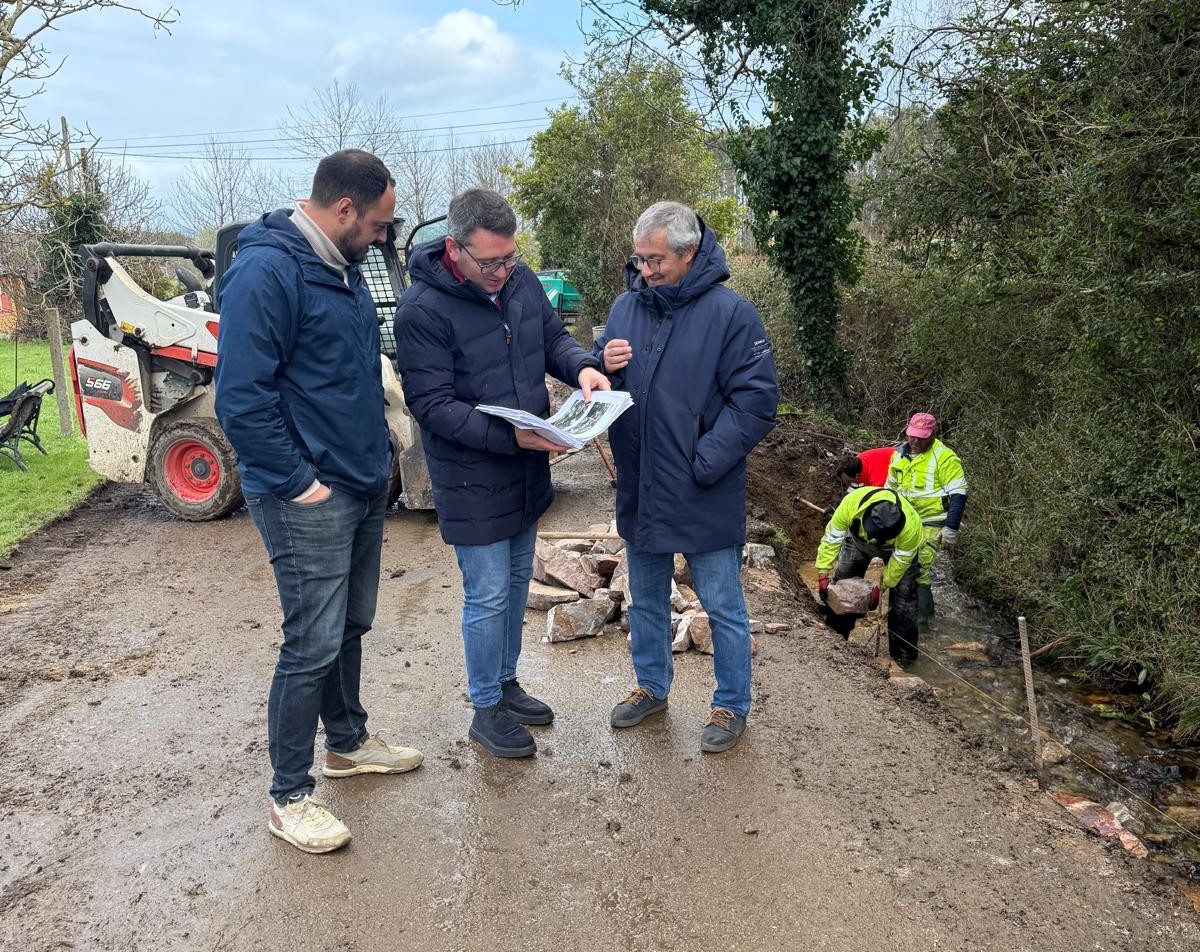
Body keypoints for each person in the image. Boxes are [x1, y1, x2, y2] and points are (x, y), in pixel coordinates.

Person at [214, 149, 424, 855]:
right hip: (308, 494)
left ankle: (347, 743)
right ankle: (288, 794)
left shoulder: (342, 268)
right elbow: (241, 399)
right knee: (310, 641)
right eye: (380, 224)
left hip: (359, 481)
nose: (383, 237)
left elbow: (350, 373)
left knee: (350, 624)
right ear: (343, 211)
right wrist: (301, 480)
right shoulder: (267, 271)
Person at [393, 188, 608, 760]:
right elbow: (431, 405)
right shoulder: (421, 310)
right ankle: (485, 708)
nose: (501, 272)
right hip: (470, 474)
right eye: (489, 263)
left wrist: (583, 368)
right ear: (454, 249)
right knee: (487, 594)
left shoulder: (521, 281)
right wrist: (508, 434)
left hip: (526, 466)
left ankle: (507, 684)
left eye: (509, 258)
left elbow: (552, 341)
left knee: (515, 585)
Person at [596, 201, 778, 754]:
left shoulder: (733, 315)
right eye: (640, 259)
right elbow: (602, 371)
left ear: (689, 252)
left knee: (722, 604)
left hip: (703, 487)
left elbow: (756, 402)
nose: (644, 270)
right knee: (646, 598)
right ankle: (651, 686)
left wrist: (703, 462)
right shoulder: (626, 307)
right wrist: (602, 360)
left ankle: (731, 703)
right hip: (642, 484)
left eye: (655, 261)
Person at [815, 486, 925, 664]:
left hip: (896, 551)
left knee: (904, 600)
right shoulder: (851, 503)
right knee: (843, 585)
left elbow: (899, 565)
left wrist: (879, 588)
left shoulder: (912, 529)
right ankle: (836, 638)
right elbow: (831, 539)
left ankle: (903, 657)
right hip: (857, 542)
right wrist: (822, 572)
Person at [885, 412, 968, 626]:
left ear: (933, 434)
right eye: (912, 435)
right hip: (904, 522)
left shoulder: (945, 457)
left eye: (921, 437)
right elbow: (889, 489)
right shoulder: (898, 455)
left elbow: (958, 494)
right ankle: (901, 613)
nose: (915, 440)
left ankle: (923, 622)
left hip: (931, 522)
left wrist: (951, 528)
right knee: (899, 565)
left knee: (920, 568)